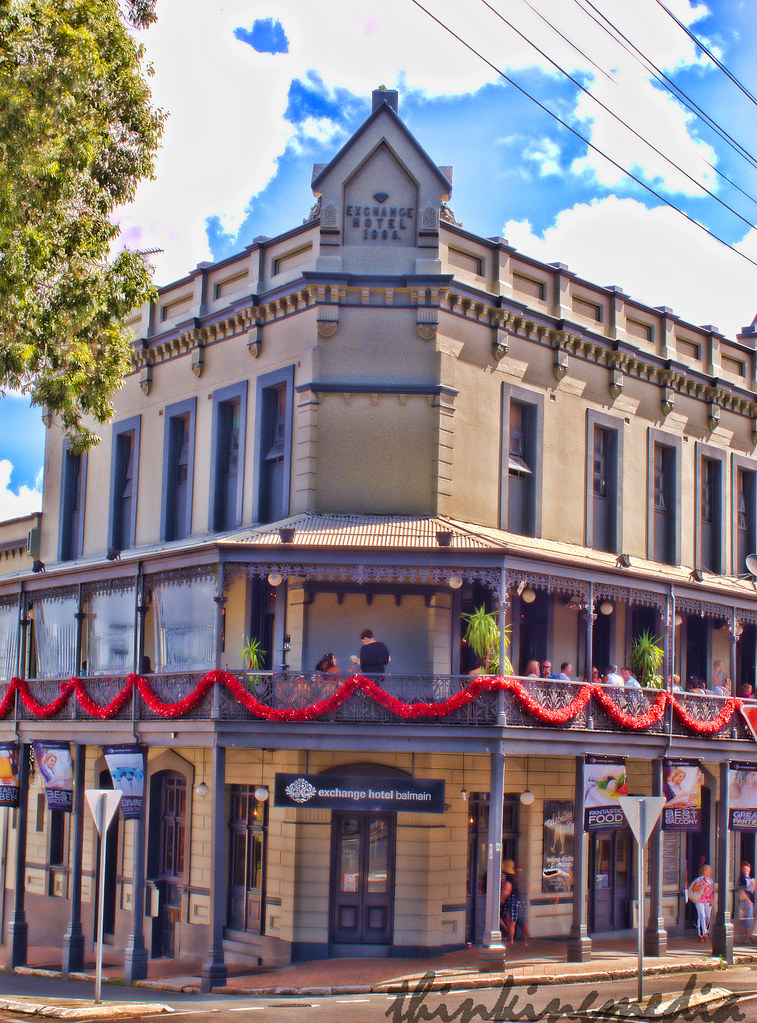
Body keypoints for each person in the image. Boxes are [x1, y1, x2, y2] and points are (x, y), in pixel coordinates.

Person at [689, 864, 714, 942]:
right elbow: (695, 889)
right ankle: (701, 934)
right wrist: (702, 885)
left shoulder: (710, 880)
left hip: (707, 900)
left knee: (707, 916)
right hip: (699, 900)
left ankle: (705, 931)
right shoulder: (700, 879)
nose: (710, 872)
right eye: (708, 870)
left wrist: (712, 900)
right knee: (701, 916)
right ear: (704, 871)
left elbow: (711, 891)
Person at [499, 858, 519, 943]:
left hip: (510, 901)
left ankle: (510, 939)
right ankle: (510, 938)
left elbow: (506, 892)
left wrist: (501, 900)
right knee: (511, 922)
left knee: (510, 922)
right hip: (515, 900)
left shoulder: (508, 879)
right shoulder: (514, 878)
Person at [737, 861, 755, 944]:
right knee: (747, 919)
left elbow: (752, 890)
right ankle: (747, 937)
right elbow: (741, 890)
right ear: (742, 869)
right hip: (745, 901)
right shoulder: (742, 878)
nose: (746, 869)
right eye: (744, 868)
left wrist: (754, 883)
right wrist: (748, 900)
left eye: (748, 868)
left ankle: (737, 935)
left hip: (750, 900)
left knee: (744, 920)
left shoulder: (750, 878)